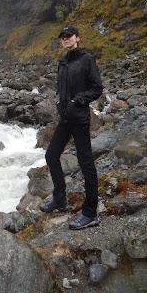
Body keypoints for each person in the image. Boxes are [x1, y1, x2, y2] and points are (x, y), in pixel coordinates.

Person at [41, 25, 103, 230]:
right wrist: (59, 101)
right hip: (66, 118)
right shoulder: (63, 61)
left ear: (78, 38)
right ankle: (59, 199)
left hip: (80, 118)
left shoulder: (86, 59)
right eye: (63, 37)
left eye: (69, 36)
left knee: (86, 164)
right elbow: (61, 87)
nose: (66, 39)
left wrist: (78, 100)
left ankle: (90, 213)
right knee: (51, 155)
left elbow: (96, 88)